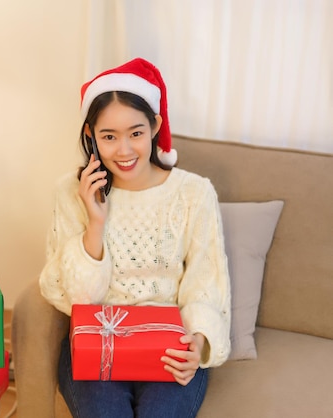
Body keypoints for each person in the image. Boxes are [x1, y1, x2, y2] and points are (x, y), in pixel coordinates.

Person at [38, 58, 231, 418]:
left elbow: (205, 283)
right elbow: (79, 300)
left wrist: (198, 342)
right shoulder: (70, 193)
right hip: (97, 344)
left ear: (155, 125)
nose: (124, 151)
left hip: (170, 344)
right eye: (109, 137)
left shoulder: (194, 193)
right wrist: (96, 222)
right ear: (90, 136)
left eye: (136, 133)